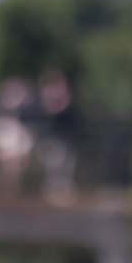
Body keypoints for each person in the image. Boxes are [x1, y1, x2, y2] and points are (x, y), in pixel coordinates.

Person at [0, 77, 36, 194]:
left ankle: (14, 192)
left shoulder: (24, 119)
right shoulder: (0, 119)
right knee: (5, 173)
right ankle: (4, 191)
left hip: (17, 145)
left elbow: (26, 140)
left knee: (14, 172)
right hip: (5, 143)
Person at [36, 70, 78, 203]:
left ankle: (62, 194)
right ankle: (53, 194)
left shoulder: (67, 104)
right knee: (55, 167)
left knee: (67, 167)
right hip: (53, 141)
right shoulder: (44, 104)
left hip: (67, 140)